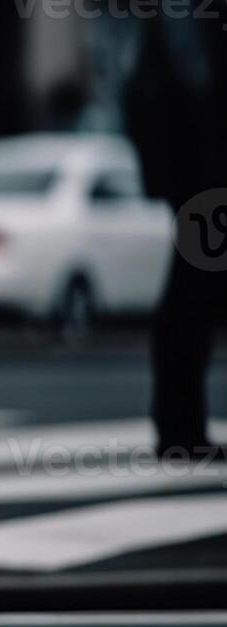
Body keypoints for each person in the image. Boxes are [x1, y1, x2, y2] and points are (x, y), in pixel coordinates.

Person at [125, 16, 223, 459]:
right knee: (191, 301)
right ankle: (179, 427)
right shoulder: (184, 22)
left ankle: (179, 426)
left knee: (190, 300)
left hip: (196, 177)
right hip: (202, 179)